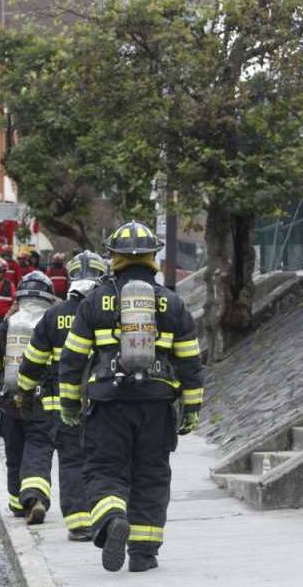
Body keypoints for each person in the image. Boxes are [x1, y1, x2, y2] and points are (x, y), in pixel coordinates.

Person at [58, 220, 203, 574]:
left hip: (108, 403)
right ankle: (143, 553)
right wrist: (192, 409)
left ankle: (111, 519)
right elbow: (190, 361)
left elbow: (73, 358)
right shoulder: (171, 302)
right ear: (153, 256)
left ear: (114, 257)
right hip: (157, 403)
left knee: (104, 469)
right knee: (151, 475)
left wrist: (68, 403)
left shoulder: (94, 301)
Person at [16, 251, 109, 541]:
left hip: (61, 406)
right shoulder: (109, 311)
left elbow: (31, 361)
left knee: (71, 462)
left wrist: (24, 390)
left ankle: (80, 524)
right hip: (105, 403)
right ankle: (109, 515)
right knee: (106, 461)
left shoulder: (53, 316)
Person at [0, 271, 57, 518]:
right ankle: (35, 497)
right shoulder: (52, 324)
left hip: (10, 403)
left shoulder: (8, 324)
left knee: (14, 453)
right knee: (38, 449)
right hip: (42, 402)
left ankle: (16, 502)